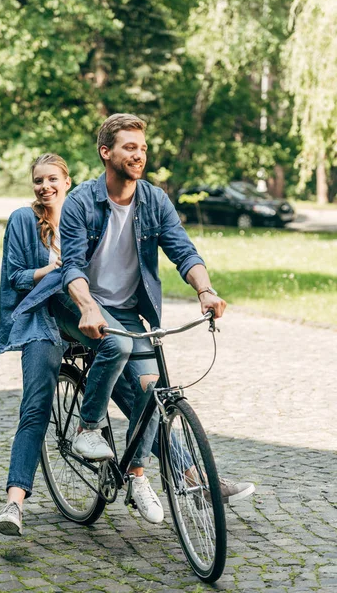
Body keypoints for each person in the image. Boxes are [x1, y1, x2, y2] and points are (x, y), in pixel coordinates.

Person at [44, 113, 254, 524]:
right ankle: (88, 430)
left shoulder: (154, 200)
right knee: (118, 345)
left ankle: (142, 476)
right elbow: (70, 268)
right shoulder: (82, 203)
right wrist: (88, 307)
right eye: (129, 147)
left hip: (125, 310)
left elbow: (184, 251)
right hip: (77, 303)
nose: (139, 155)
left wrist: (205, 289)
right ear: (106, 153)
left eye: (142, 148)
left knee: (150, 389)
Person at [0, 153, 72, 536]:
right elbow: (15, 277)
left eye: (53, 179)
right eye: (39, 180)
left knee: (138, 392)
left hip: (82, 321)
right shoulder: (24, 220)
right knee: (36, 407)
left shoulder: (79, 219)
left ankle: (194, 476)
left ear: (67, 181)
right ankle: (14, 502)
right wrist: (51, 270)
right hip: (42, 322)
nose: (46, 187)